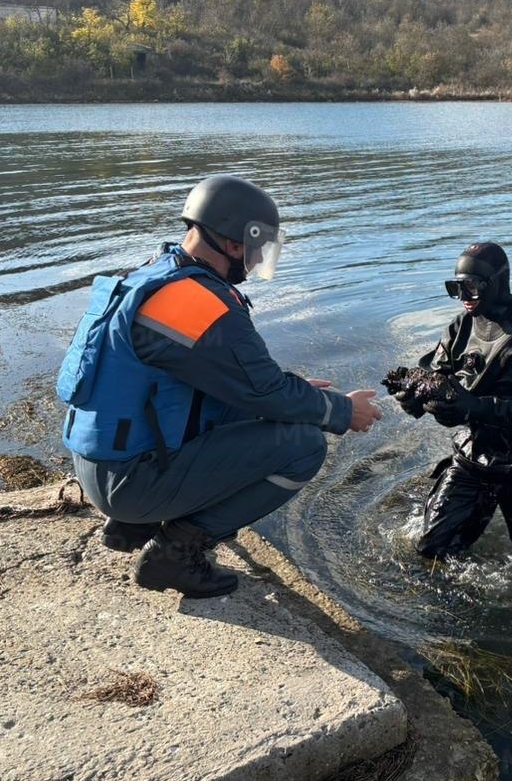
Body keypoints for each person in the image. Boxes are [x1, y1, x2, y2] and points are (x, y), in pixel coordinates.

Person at [56, 175, 382, 598]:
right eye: (256, 248)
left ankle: (133, 523)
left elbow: (224, 380)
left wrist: (292, 392)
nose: (253, 261)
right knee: (304, 445)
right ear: (234, 242)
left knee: (267, 410)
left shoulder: (152, 276)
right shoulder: (197, 303)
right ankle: (175, 552)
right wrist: (340, 410)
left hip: (97, 464)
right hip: (129, 481)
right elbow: (264, 391)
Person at [396, 242, 512, 565]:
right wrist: (416, 399)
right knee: (432, 551)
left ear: (497, 283)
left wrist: (476, 407)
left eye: (471, 287)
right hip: (474, 457)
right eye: (455, 288)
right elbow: (439, 381)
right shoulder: (460, 328)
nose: (464, 297)